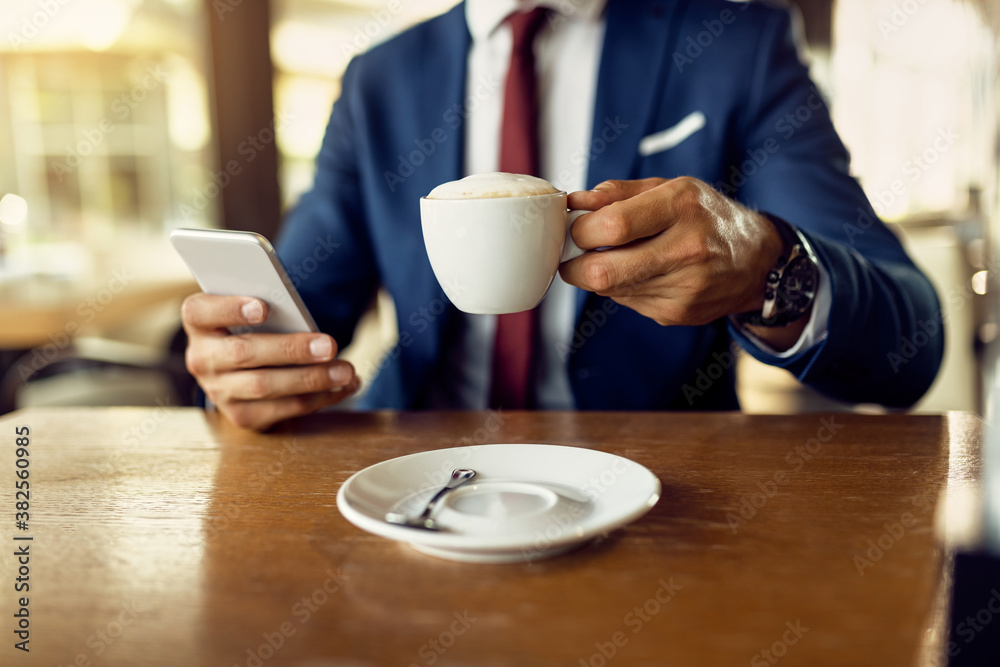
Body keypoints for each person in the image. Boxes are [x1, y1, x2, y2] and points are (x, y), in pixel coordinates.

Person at [181, 0, 943, 431]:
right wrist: (242, 358)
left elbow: (912, 343)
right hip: (410, 486)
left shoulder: (734, 45)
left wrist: (768, 267)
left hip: (656, 493)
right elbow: (299, 312)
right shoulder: (380, 81)